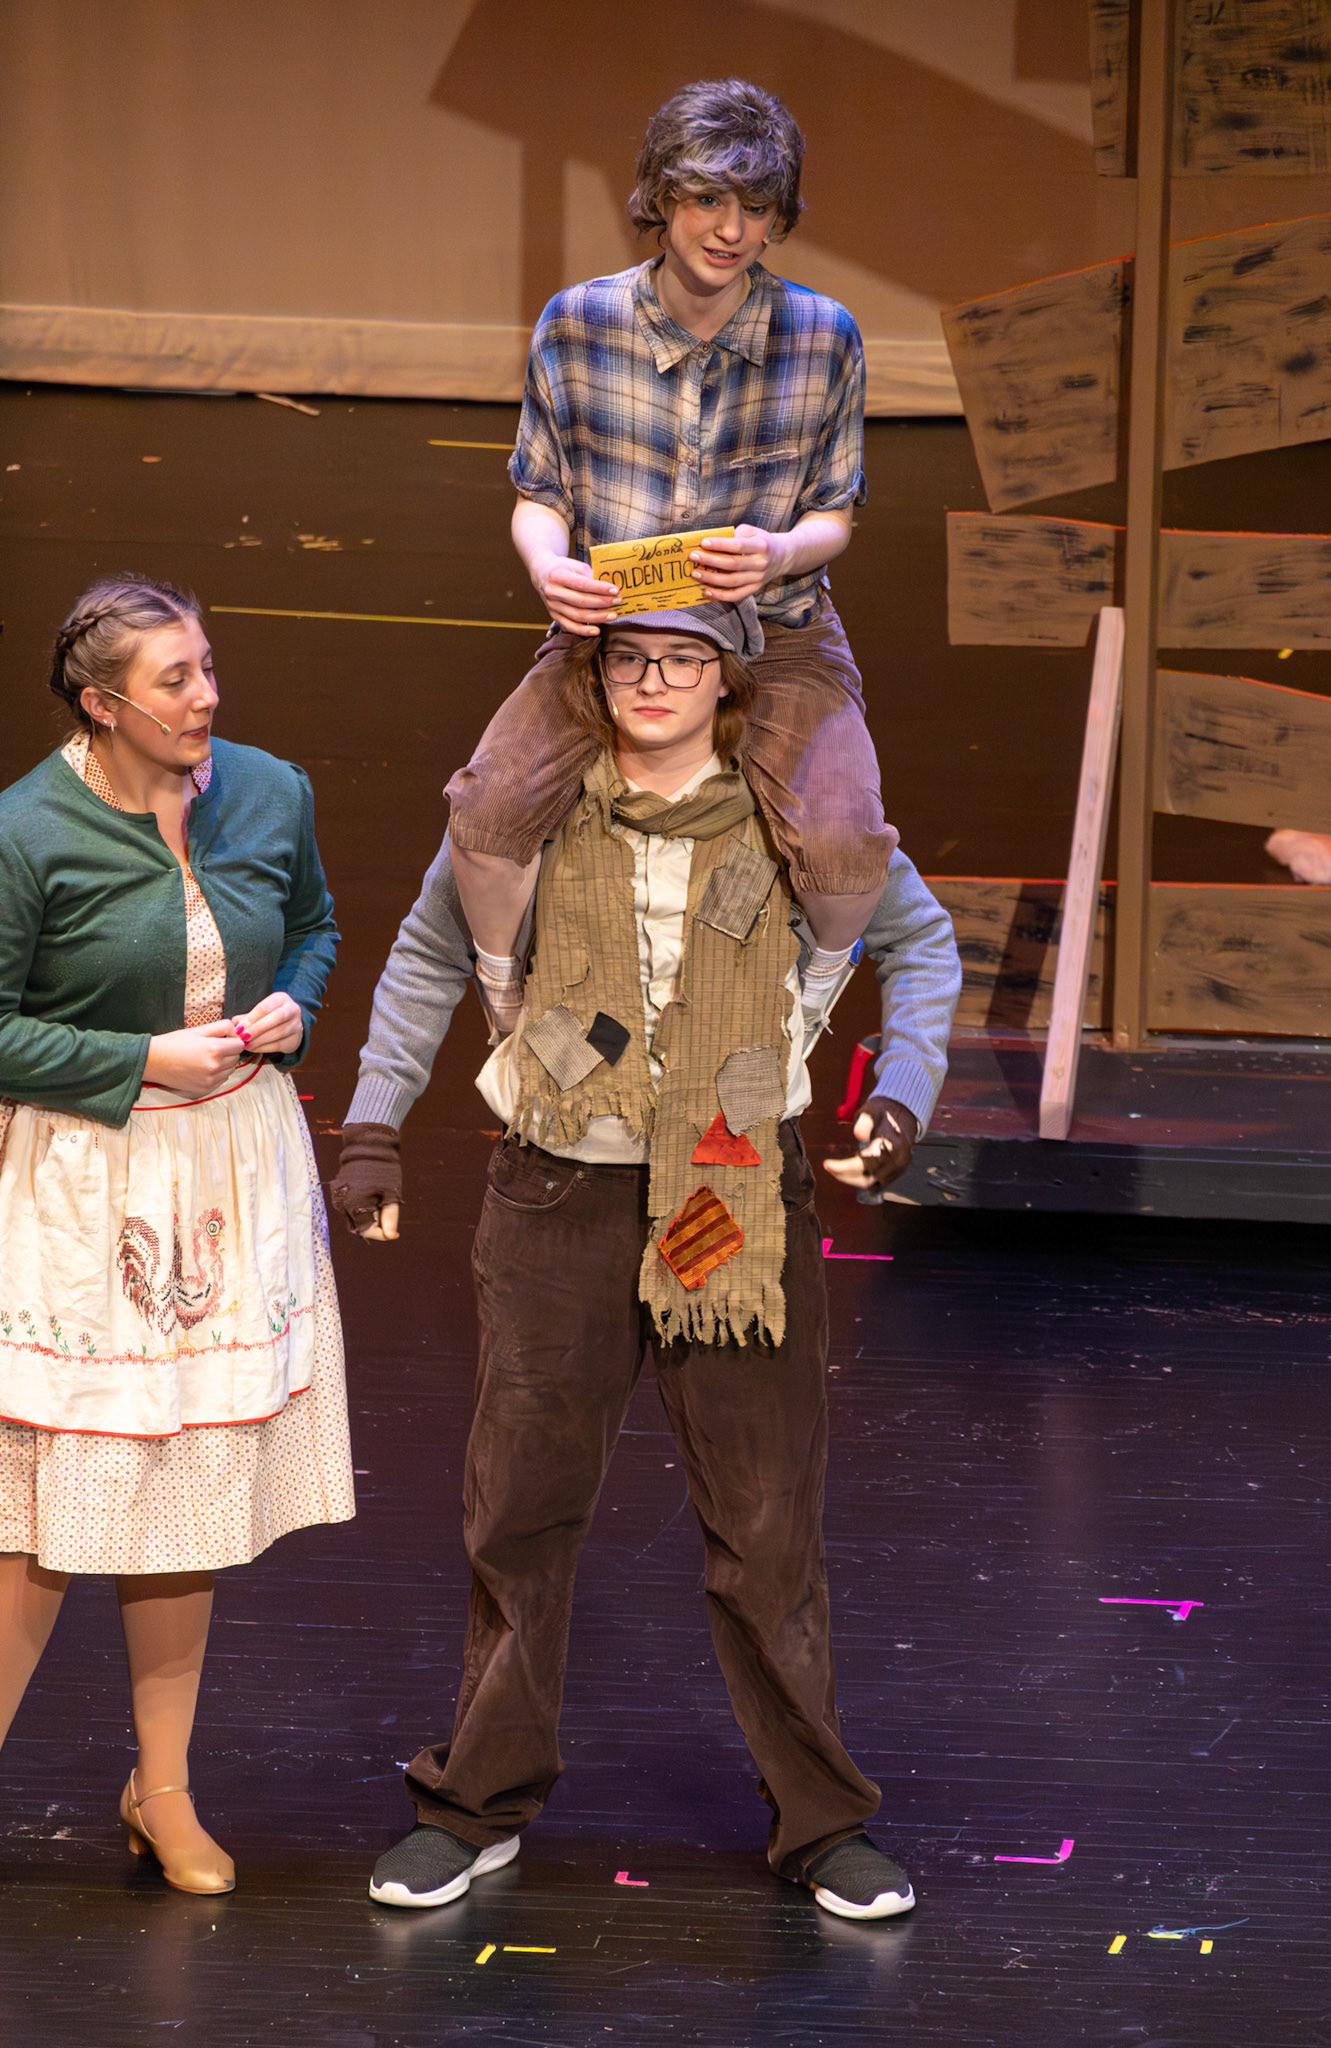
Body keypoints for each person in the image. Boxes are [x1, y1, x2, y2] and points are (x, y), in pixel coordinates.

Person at [333, 603, 960, 1920]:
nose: (657, 681)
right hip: (560, 1186)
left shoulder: (782, 818)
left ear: (726, 680)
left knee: (768, 1527)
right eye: (631, 658)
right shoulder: (533, 820)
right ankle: (479, 1802)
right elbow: (422, 959)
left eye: (684, 659)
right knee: (520, 1512)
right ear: (593, 674)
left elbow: (922, 943)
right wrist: (374, 1128)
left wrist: (901, 1089)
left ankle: (821, 1822)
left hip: (732, 1195)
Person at [0, 576, 354, 1896]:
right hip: (89, 1175)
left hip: (229, 1168)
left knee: (186, 1501)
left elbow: (312, 926)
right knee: (38, 1514)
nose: (206, 698)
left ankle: (165, 1790)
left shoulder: (270, 790)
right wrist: (138, 1052)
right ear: (102, 706)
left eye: (208, 667)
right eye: (174, 681)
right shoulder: (29, 833)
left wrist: (288, 1011)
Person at [444, 76, 895, 1046]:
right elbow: (539, 493)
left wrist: (780, 549)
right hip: (612, 636)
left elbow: (835, 514)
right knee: (486, 815)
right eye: (707, 200)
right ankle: (507, 1007)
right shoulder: (579, 324)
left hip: (776, 633)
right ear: (661, 198)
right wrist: (548, 567)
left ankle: (808, 1005)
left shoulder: (824, 338)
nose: (730, 229)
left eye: (756, 207)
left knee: (848, 847)